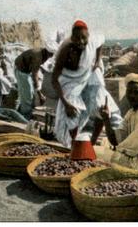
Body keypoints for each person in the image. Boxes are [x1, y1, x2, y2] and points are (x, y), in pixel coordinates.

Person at [52, 20, 122, 148]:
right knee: (72, 111)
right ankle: (73, 144)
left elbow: (101, 41)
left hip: (89, 74)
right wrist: (66, 104)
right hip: (71, 81)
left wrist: (97, 60)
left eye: (83, 38)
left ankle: (93, 142)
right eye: (77, 38)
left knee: (100, 104)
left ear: (88, 36)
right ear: (72, 38)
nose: (81, 41)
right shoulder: (65, 50)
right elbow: (54, 79)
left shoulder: (92, 42)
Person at [94, 73, 138, 173]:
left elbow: (134, 147)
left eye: (137, 92)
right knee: (98, 148)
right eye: (129, 91)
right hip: (130, 156)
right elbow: (115, 140)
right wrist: (106, 119)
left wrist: (114, 151)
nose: (132, 95)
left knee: (94, 152)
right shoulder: (131, 112)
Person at [14, 39, 58, 119]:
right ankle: (24, 118)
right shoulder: (38, 57)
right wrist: (40, 94)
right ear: (48, 52)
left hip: (26, 71)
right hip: (22, 71)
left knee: (30, 94)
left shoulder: (42, 53)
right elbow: (35, 74)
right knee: (27, 97)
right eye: (51, 54)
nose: (51, 56)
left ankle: (20, 112)